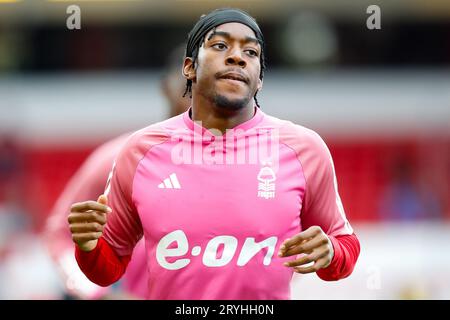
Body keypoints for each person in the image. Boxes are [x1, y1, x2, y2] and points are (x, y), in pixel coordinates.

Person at [68, 8, 360, 300]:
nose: (237, 57)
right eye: (220, 45)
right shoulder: (140, 151)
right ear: (189, 68)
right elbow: (108, 269)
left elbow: (344, 247)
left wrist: (332, 251)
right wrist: (88, 246)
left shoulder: (304, 149)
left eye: (251, 52)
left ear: (259, 79)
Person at [43, 45, 190, 299]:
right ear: (167, 87)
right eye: (189, 82)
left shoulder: (239, 167)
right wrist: (98, 295)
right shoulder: (121, 157)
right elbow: (62, 234)